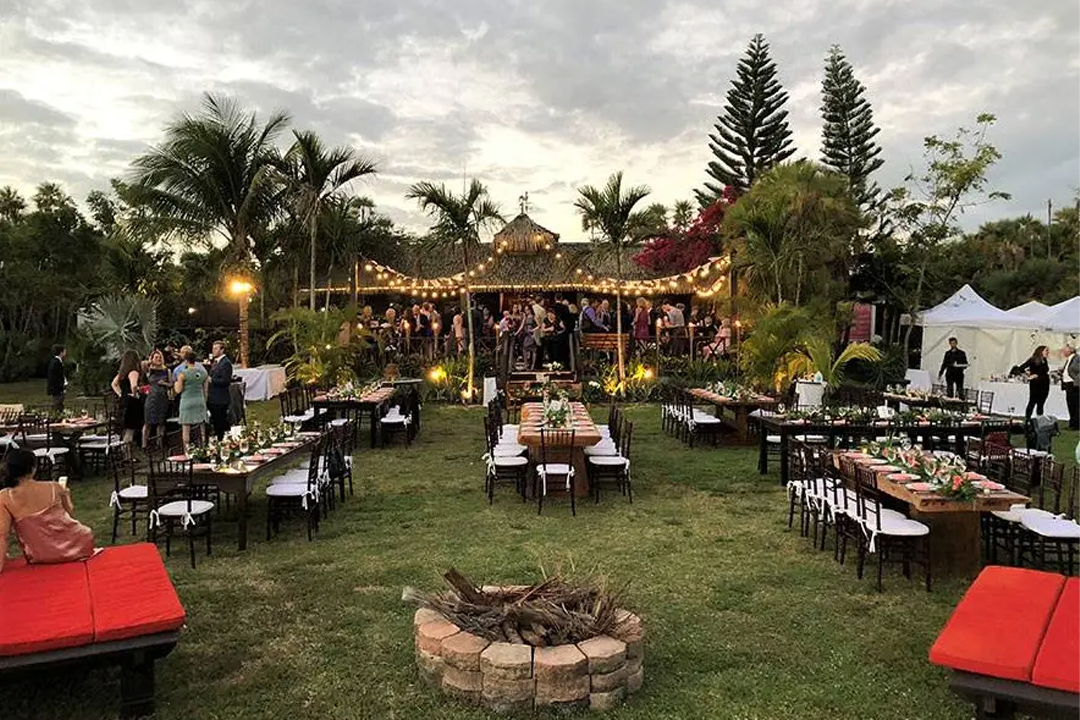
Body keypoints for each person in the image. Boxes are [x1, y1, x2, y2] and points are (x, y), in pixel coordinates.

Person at [0, 449, 96, 573]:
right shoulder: (54, 487)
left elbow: (3, 535)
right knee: (84, 532)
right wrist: (66, 496)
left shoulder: (5, 497)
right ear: (33, 469)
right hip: (75, 546)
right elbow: (70, 516)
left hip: (39, 554)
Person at [175, 349, 208, 450]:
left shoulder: (182, 374)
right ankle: (203, 448)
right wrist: (204, 401)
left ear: (185, 361)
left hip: (187, 401)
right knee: (201, 426)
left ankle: (187, 450)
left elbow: (178, 390)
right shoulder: (203, 373)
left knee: (186, 428)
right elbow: (205, 391)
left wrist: (176, 384)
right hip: (200, 400)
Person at [111, 350, 145, 446]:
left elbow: (114, 384)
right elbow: (133, 386)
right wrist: (136, 393)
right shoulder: (134, 372)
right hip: (132, 403)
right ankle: (127, 452)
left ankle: (124, 450)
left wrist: (120, 394)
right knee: (130, 430)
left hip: (123, 402)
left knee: (125, 429)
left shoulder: (122, 373)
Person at [143, 349, 172, 448]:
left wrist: (165, 384)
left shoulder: (167, 370)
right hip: (151, 398)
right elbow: (142, 364)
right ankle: (144, 444)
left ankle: (159, 444)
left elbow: (171, 384)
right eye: (156, 357)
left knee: (161, 422)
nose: (159, 359)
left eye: (160, 357)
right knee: (148, 422)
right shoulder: (149, 370)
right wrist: (151, 361)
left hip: (162, 398)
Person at [207, 341, 233, 441]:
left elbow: (226, 381)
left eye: (216, 348)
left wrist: (212, 380)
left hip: (220, 398)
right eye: (213, 348)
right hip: (213, 398)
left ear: (222, 350)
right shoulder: (215, 362)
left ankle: (224, 441)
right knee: (216, 422)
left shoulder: (226, 363)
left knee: (221, 422)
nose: (213, 351)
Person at [1017, 345, 1051, 419]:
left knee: (1041, 403)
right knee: (1032, 402)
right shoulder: (1033, 359)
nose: (1048, 352)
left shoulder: (1044, 360)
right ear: (1040, 351)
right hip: (1036, 384)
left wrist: (1036, 374)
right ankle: (1028, 419)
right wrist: (1028, 375)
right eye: (1046, 350)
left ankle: (1040, 419)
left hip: (1045, 384)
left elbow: (1043, 371)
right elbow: (1020, 368)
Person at [1061, 344, 1079, 430]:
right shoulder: (1069, 359)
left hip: (1074, 385)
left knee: (1075, 405)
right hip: (1068, 385)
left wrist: (1076, 379)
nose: (1063, 351)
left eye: (1065, 350)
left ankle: (1076, 425)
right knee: (1071, 405)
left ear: (1070, 350)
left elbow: (1076, 369)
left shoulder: (1077, 358)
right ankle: (1072, 424)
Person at [45, 344, 67, 413]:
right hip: (57, 389)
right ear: (61, 352)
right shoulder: (56, 363)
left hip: (57, 388)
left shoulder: (56, 361)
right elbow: (56, 377)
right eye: (64, 351)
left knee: (59, 404)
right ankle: (56, 415)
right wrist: (61, 387)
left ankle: (58, 413)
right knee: (57, 404)